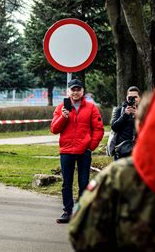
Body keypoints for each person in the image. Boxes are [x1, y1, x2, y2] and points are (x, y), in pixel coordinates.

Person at [69, 92, 155, 250]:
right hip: (123, 151)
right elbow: (114, 127)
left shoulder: (119, 175)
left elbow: (81, 232)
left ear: (140, 124)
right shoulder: (121, 110)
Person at [50, 79, 104, 223]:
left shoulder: (91, 108)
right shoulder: (61, 107)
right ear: (68, 91)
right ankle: (68, 212)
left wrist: (90, 146)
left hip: (84, 151)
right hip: (66, 151)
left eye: (78, 89)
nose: (75, 92)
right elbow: (54, 129)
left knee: (84, 183)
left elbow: (98, 129)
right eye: (72, 90)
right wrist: (63, 117)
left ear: (82, 91)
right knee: (66, 184)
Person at [110, 86, 141, 160]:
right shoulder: (119, 110)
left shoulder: (145, 110)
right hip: (122, 150)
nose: (133, 99)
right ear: (126, 97)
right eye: (130, 97)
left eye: (135, 97)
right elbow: (114, 127)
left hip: (139, 150)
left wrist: (138, 115)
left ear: (139, 98)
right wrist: (125, 115)